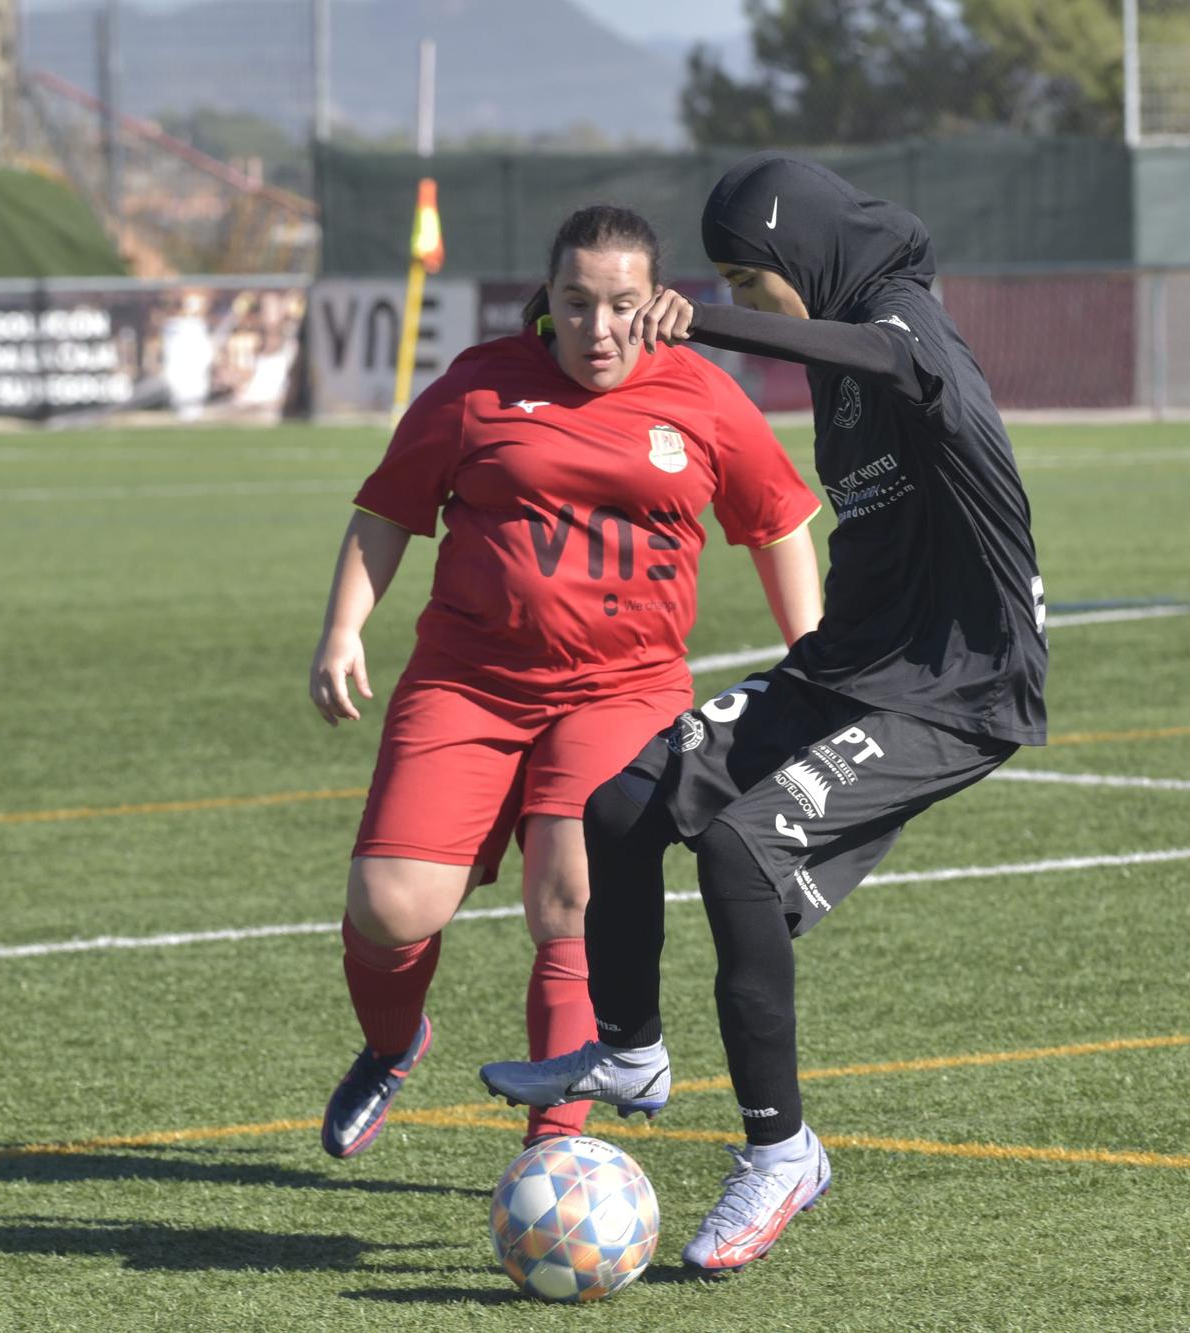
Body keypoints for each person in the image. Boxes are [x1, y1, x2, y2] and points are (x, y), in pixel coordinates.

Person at [479, 152, 1049, 1274]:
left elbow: (887, 357)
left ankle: (781, 1151)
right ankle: (630, 1051)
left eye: (753, 276)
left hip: (958, 682)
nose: (744, 297)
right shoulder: (839, 335)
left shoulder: (901, 320)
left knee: (740, 849)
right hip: (852, 661)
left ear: (805, 254)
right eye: (731, 281)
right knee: (624, 803)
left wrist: (711, 329)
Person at [310, 204, 825, 1160]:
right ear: (547, 298)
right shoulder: (477, 388)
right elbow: (388, 507)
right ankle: (391, 1045)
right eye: (577, 302)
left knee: (571, 899)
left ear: (657, 303)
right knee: (390, 906)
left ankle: (559, 1149)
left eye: (622, 305)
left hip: (625, 691)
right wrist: (344, 628)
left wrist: (815, 658)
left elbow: (779, 520)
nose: (599, 328)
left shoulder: (703, 394)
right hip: (468, 683)